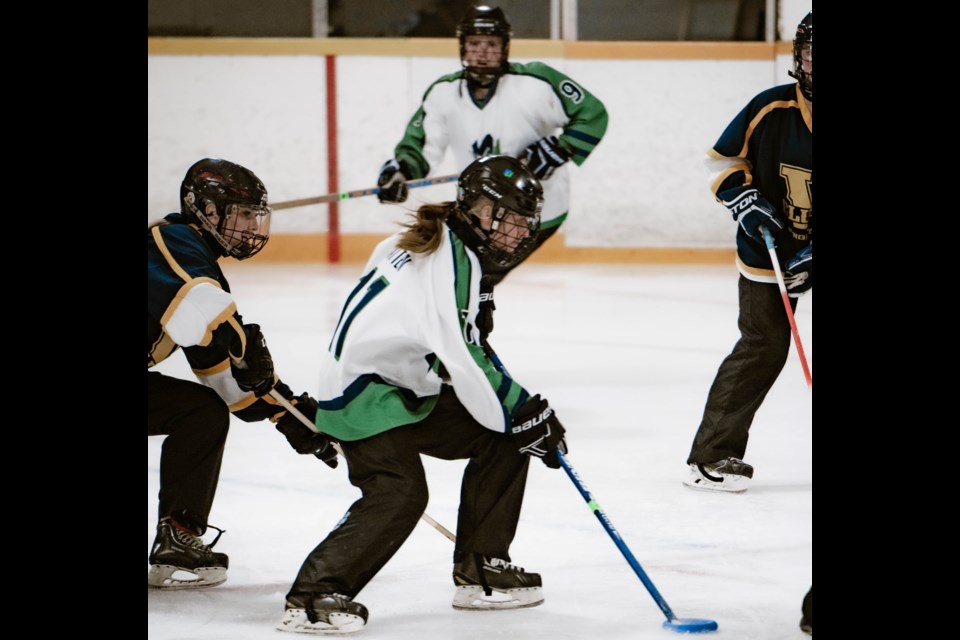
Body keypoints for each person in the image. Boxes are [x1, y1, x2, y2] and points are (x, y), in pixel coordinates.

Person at [276, 155, 568, 634]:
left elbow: (429, 334)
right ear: (477, 208)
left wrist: (515, 413)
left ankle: (482, 570)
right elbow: (463, 357)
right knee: (401, 491)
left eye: (524, 222)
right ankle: (313, 595)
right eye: (509, 218)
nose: (517, 232)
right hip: (363, 394)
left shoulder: (433, 240)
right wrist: (524, 408)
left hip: (400, 384)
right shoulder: (451, 262)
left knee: (504, 436)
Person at [148, 158, 339, 589]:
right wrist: (241, 340)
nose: (253, 225)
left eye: (256, 214)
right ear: (207, 211)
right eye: (243, 213)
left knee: (201, 412)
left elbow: (225, 378)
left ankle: (178, 538)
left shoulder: (202, 269)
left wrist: (291, 415)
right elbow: (201, 308)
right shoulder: (169, 238)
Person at [376, 4, 608, 289]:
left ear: (505, 47)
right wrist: (401, 171)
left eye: (492, 44)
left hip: (534, 212)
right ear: (462, 47)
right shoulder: (443, 93)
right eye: (474, 43)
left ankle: (464, 327)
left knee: (467, 280)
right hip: (478, 212)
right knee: (443, 269)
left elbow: (592, 114)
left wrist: (561, 149)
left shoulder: (536, 82)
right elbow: (421, 146)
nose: (483, 52)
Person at [683, 12, 813, 493]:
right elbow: (720, 160)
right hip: (771, 247)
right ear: (798, 56)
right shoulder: (769, 108)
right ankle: (713, 455)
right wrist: (742, 197)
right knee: (762, 346)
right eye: (812, 54)